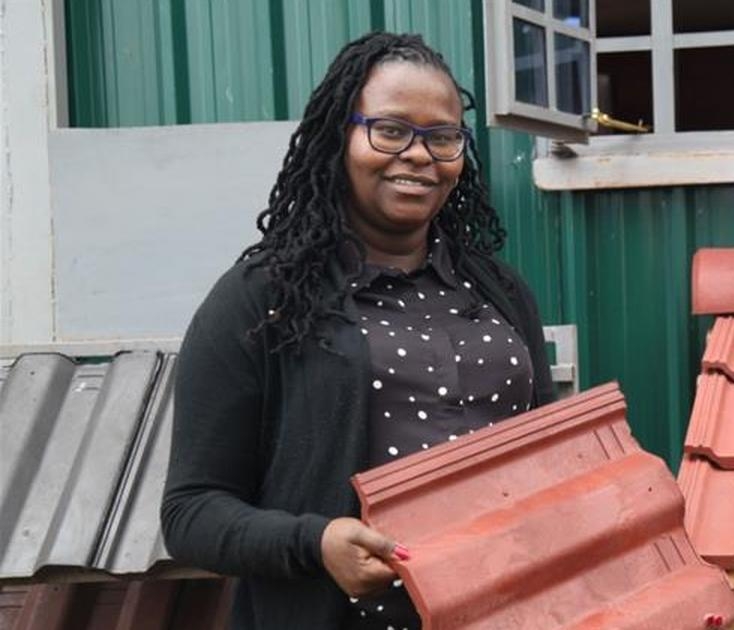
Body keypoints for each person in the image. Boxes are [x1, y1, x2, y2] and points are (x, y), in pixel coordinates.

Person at [160, 31, 556, 630]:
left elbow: (550, 459)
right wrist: (314, 543)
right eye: (390, 130)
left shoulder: (500, 291)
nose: (419, 155)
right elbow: (191, 512)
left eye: (443, 137)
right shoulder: (262, 300)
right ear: (338, 138)